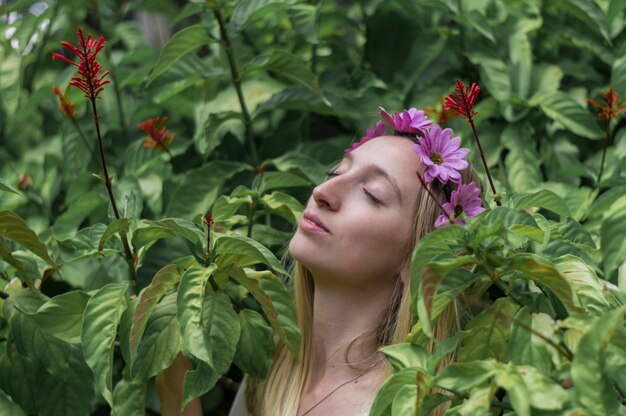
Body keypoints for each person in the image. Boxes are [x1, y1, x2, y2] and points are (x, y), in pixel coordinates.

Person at [158, 108, 479, 416]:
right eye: (336, 172)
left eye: (371, 193)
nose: (322, 190)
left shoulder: (404, 404)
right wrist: (175, 390)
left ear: (420, 258)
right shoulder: (270, 366)